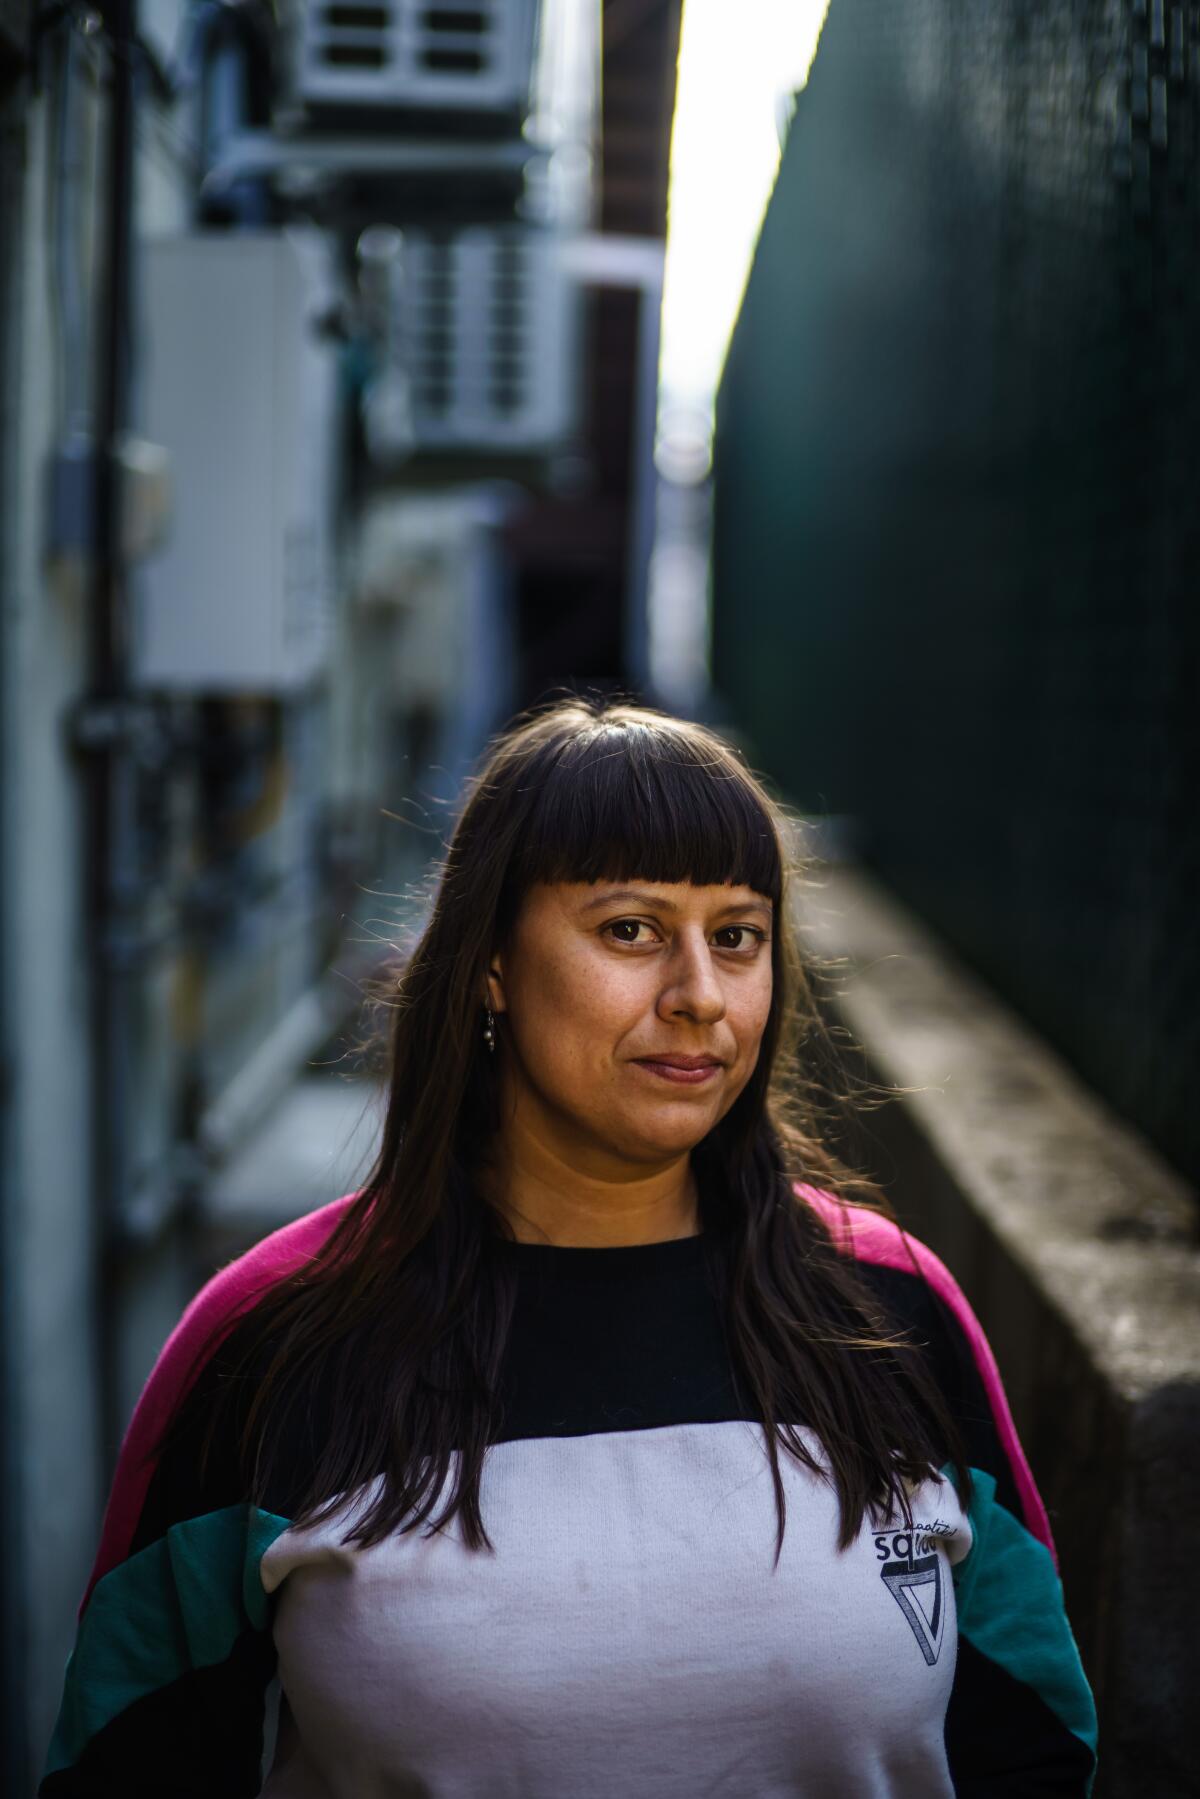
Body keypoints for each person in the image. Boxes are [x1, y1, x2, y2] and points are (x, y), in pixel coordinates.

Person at [40, 699, 1097, 1797]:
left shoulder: (891, 1308)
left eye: (737, 935)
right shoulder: (272, 1337)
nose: (699, 995)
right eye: (631, 929)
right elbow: (126, 1757)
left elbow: (1035, 1740)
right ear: (491, 961)